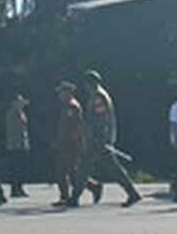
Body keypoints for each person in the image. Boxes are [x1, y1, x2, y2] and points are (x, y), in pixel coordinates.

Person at [64, 70, 143, 208]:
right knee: (105, 167)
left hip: (99, 139)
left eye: (86, 83)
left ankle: (75, 197)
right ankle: (131, 192)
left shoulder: (98, 97)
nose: (85, 86)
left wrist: (102, 138)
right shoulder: (98, 95)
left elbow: (103, 120)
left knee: (87, 166)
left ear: (90, 83)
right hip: (99, 139)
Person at [52, 80, 84, 206]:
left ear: (68, 92)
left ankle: (66, 197)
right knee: (68, 171)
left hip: (70, 145)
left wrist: (69, 143)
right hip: (65, 143)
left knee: (65, 171)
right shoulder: (67, 106)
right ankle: (93, 187)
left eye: (61, 92)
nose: (59, 95)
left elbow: (76, 127)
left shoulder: (72, 106)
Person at [4, 92, 30, 198]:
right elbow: (13, 131)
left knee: (21, 168)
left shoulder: (21, 113)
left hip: (22, 144)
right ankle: (15, 189)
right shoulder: (12, 114)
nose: (21, 104)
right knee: (15, 169)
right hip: (15, 145)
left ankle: (19, 188)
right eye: (19, 102)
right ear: (14, 103)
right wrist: (17, 143)